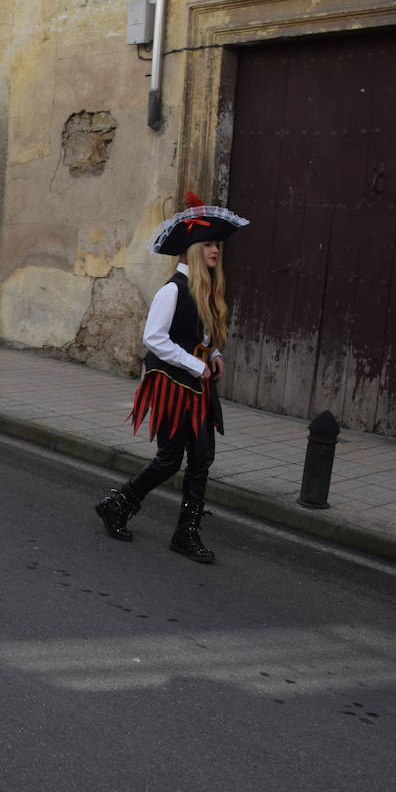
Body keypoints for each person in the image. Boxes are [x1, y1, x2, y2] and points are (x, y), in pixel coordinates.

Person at [93, 192, 249, 564]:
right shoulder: (172, 290)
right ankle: (118, 504)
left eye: (217, 245)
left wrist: (214, 354)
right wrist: (197, 365)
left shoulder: (206, 290)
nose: (216, 251)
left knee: (201, 460)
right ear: (194, 249)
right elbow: (154, 339)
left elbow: (202, 336)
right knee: (169, 460)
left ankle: (186, 532)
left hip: (198, 387)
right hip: (173, 388)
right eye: (209, 244)